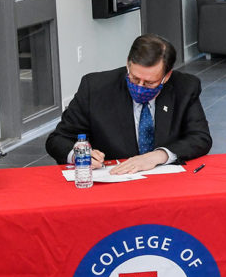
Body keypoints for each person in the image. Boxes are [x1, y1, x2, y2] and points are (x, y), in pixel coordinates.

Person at [46, 33, 212, 174]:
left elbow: (200, 137)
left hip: (165, 182)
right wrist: (79, 155)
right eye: (134, 78)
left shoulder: (184, 87)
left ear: (166, 76)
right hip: (114, 181)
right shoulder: (95, 88)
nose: (139, 87)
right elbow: (58, 139)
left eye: (149, 83)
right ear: (128, 64)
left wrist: (158, 156)